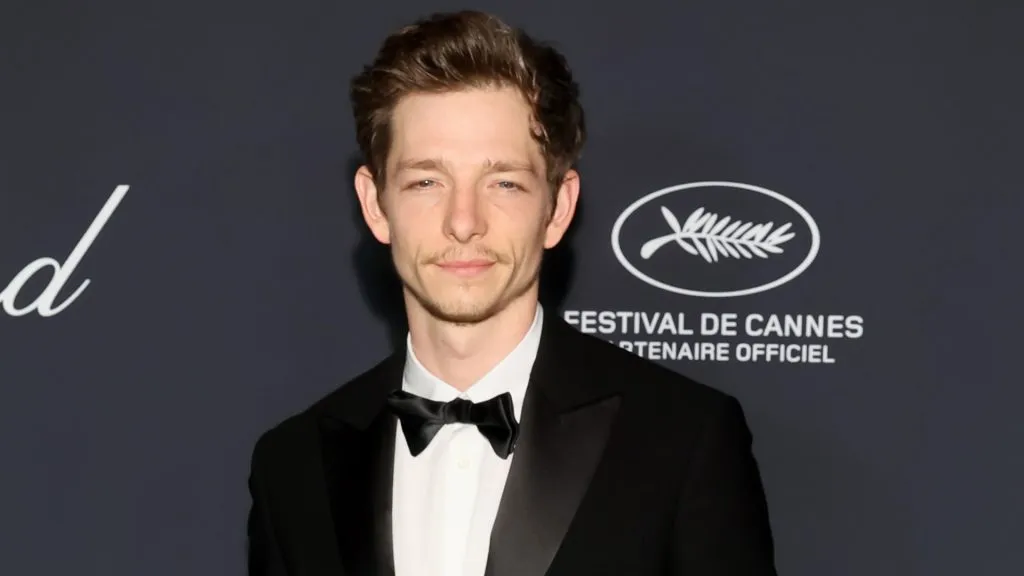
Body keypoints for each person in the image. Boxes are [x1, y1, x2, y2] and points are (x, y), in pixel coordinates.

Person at [246, 10, 776, 576]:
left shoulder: (682, 440)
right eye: (427, 181)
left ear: (558, 208)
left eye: (503, 183)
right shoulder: (292, 466)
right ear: (376, 205)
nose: (464, 221)